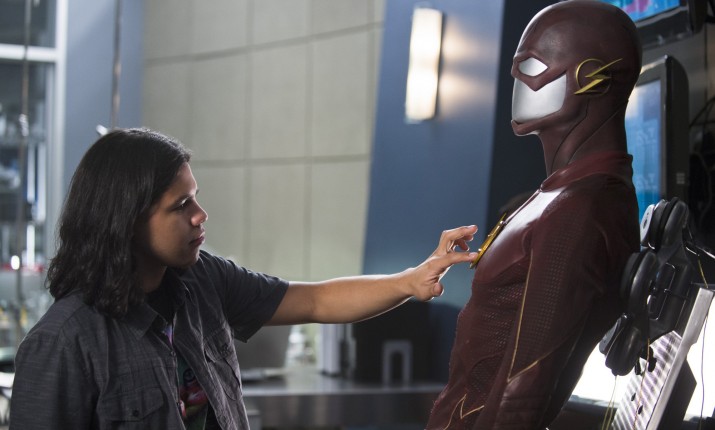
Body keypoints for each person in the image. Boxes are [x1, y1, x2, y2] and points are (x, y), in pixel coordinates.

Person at [8, 127, 478, 429]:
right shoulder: (63, 343)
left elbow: (315, 301)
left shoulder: (201, 279)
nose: (200, 215)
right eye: (181, 206)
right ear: (127, 221)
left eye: (195, 197)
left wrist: (411, 280)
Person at [426, 2, 642, 429]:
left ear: (592, 79)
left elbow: (524, 391)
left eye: (532, 66)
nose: (518, 81)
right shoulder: (557, 197)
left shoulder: (578, 210)